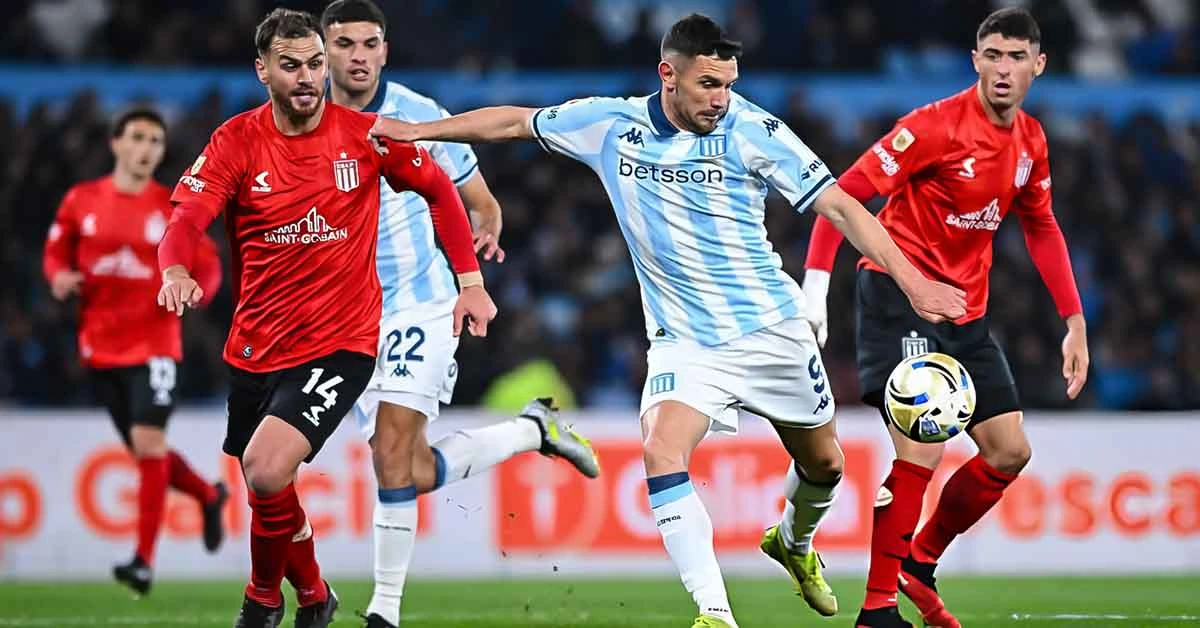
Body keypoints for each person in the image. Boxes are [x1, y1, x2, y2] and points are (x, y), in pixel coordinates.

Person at [370, 13, 966, 628]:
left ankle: (792, 539)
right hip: (684, 343)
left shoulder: (754, 130)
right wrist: (418, 131)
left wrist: (915, 283)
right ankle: (715, 613)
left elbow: (840, 205)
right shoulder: (611, 124)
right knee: (660, 449)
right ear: (668, 75)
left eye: (728, 84)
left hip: (772, 330)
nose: (721, 99)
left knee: (826, 466)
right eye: (708, 83)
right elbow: (515, 121)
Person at [155, 9, 495, 628]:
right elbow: (184, 221)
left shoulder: (365, 136)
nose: (308, 77)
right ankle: (314, 595)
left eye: (315, 63)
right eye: (291, 65)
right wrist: (175, 270)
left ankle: (262, 603)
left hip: (341, 343)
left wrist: (469, 283)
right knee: (268, 487)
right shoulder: (236, 141)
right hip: (256, 344)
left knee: (264, 468)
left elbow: (441, 192)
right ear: (263, 70)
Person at [801, 8, 1089, 628]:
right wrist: (816, 285)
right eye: (993, 55)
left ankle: (919, 561)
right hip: (896, 296)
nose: (1003, 69)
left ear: (1039, 65)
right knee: (923, 446)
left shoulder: (1031, 142)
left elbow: (1040, 226)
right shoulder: (933, 127)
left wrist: (1075, 320)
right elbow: (841, 197)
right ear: (976, 60)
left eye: (1016, 57)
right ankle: (877, 610)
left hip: (966, 312)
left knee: (1010, 451)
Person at [320, 2, 600, 626]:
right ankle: (534, 431)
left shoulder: (419, 114)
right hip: (344, 318)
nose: (359, 56)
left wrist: (486, 227)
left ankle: (383, 612)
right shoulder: (306, 119)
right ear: (324, 51)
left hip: (422, 305)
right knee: (410, 468)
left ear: (385, 51)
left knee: (392, 451)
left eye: (370, 43)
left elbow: (478, 198)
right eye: (345, 44)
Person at [42, 107, 227, 596]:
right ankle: (209, 495)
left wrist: (195, 290)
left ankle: (142, 561)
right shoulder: (81, 200)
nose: (147, 149)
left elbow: (207, 264)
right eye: (139, 138)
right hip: (100, 346)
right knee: (150, 453)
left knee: (148, 444)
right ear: (116, 143)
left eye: (156, 141)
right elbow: (56, 250)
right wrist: (58, 277)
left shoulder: (171, 207)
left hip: (155, 344)